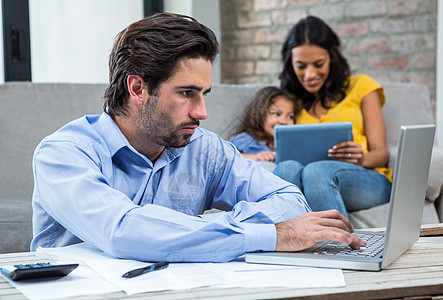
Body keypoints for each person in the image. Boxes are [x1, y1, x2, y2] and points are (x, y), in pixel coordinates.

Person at [31, 13, 365, 263]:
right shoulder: (63, 155)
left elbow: (289, 201)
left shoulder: (204, 149)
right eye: (187, 93)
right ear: (137, 89)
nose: (202, 112)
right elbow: (122, 232)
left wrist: (213, 230)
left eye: (203, 93)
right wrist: (267, 234)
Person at [279, 15, 393, 218]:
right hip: (311, 181)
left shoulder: (362, 86)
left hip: (367, 179)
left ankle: (338, 247)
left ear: (333, 56)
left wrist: (361, 158)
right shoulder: (289, 101)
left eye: (318, 63)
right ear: (290, 63)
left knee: (317, 171)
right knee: (286, 169)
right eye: (301, 66)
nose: (310, 74)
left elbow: (382, 154)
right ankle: (282, 244)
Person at [229, 86, 303, 186]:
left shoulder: (289, 145)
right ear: (260, 114)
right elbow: (228, 158)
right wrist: (257, 157)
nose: (284, 121)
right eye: (276, 114)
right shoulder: (245, 139)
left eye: (290, 117)